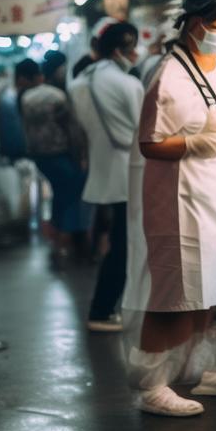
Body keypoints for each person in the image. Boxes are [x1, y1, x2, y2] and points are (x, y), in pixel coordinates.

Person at [121, 0, 216, 417]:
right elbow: (149, 142)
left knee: (212, 291)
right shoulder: (167, 76)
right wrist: (194, 144)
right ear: (195, 21)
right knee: (173, 297)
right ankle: (153, 383)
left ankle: (205, 369)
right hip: (179, 204)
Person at [70, 21, 144, 332]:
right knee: (124, 245)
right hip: (130, 171)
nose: (136, 54)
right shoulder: (128, 85)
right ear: (119, 51)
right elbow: (147, 130)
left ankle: (106, 307)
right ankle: (102, 310)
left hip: (104, 168)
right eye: (132, 48)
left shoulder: (82, 80)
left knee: (118, 242)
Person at [20, 52, 89, 263]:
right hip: (61, 153)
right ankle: (65, 240)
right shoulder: (58, 96)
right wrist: (81, 155)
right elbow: (72, 130)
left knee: (60, 195)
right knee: (69, 197)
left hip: (40, 155)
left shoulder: (26, 97)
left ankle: (58, 238)